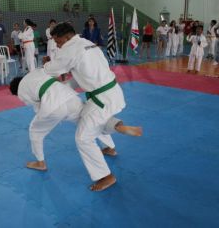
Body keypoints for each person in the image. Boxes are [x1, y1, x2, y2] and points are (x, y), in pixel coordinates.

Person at [44, 22, 142, 191]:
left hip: (101, 99)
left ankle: (105, 176)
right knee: (86, 118)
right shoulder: (89, 44)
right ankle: (111, 142)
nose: (57, 45)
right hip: (111, 92)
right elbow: (81, 74)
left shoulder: (70, 49)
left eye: (58, 41)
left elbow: (52, 70)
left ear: (67, 37)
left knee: (83, 138)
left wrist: (46, 62)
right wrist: (65, 88)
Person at [9, 69, 142, 171]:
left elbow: (37, 106)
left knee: (35, 131)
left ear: (15, 91)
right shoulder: (36, 72)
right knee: (89, 121)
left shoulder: (21, 91)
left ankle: (40, 162)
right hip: (69, 96)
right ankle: (110, 145)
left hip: (53, 107)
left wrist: (47, 117)